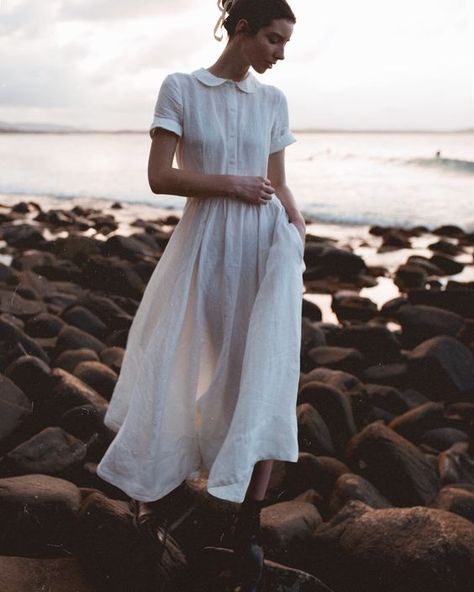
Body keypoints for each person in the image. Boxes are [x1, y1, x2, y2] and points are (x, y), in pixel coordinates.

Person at [96, 0, 304, 589]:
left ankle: (248, 524)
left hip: (267, 251)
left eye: (285, 42)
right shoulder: (181, 88)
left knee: (266, 374)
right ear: (241, 30)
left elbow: (281, 185)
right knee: (177, 365)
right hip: (206, 248)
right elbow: (160, 176)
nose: (280, 53)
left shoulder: (272, 101)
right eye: (273, 39)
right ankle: (147, 496)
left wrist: (299, 238)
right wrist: (230, 184)